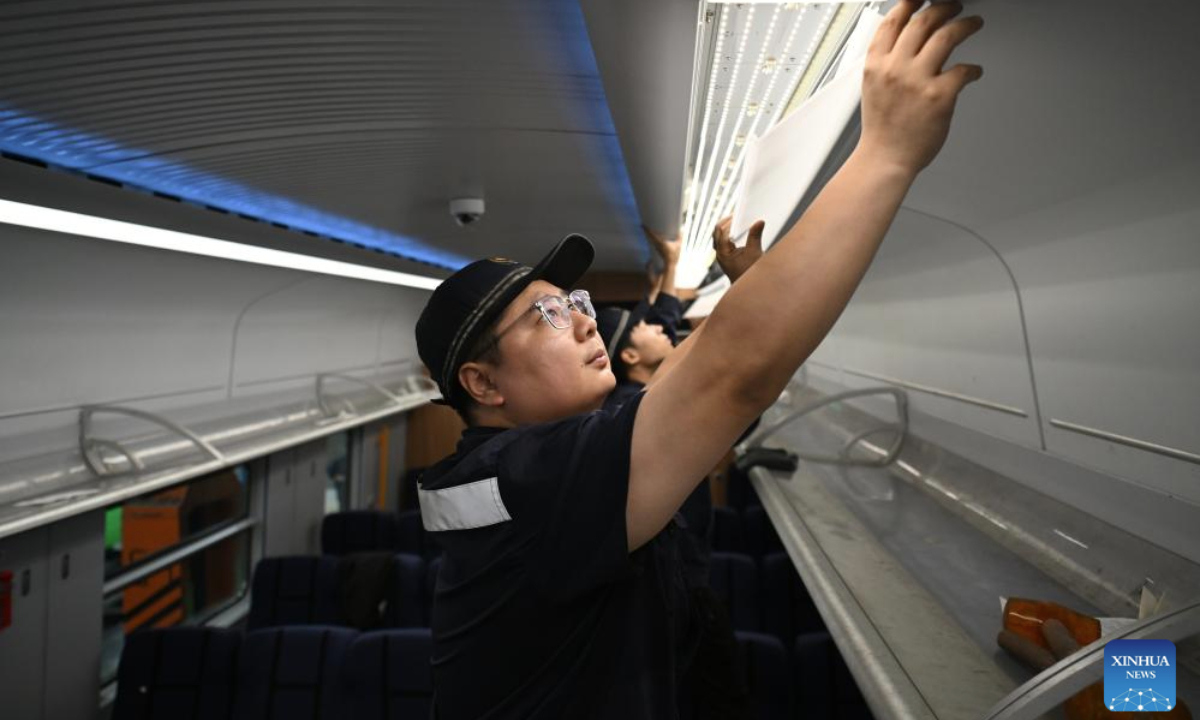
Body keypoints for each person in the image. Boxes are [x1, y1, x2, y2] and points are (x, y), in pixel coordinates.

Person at [413, 3, 983, 717]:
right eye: (548, 315)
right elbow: (731, 375)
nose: (585, 322)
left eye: (578, 302)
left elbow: (689, 370)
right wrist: (888, 152)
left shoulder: (551, 448)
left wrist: (752, 287)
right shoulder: (528, 480)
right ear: (482, 383)